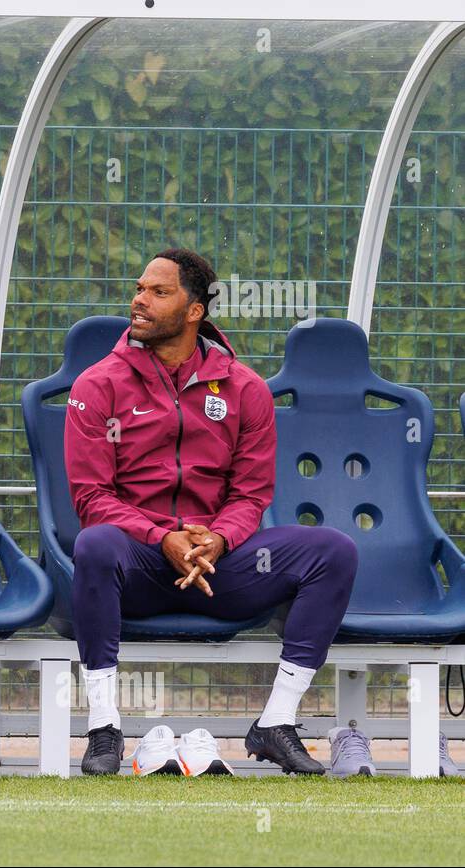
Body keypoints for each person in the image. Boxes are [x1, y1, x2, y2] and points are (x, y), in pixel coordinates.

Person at [64, 248, 358, 776]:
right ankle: (103, 729)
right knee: (94, 543)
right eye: (139, 289)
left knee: (332, 551)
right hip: (138, 566)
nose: (139, 301)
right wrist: (162, 538)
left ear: (195, 309)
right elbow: (91, 498)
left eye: (159, 292)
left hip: (217, 567)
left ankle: (276, 722)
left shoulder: (244, 388)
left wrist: (215, 541)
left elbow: (251, 495)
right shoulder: (97, 385)